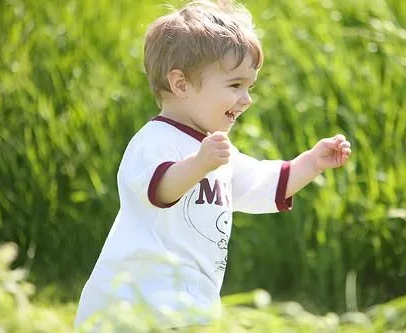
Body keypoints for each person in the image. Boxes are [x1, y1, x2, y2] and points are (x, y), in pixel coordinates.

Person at [74, 0, 352, 330]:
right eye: (235, 85)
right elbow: (159, 188)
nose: (246, 99)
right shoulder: (156, 140)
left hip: (188, 306)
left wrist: (311, 162)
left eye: (249, 86)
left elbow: (263, 182)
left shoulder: (217, 153)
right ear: (180, 84)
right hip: (133, 304)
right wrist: (200, 163)